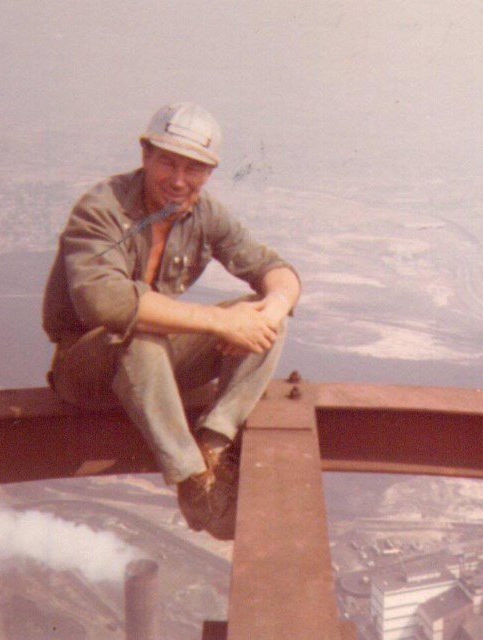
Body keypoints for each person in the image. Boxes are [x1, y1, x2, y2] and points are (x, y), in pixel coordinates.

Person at [42, 102, 301, 540]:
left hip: (150, 371)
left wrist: (272, 308)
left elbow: (277, 271)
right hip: (87, 370)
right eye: (168, 162)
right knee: (139, 337)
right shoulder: (101, 208)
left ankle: (215, 444)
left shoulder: (205, 214)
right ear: (145, 154)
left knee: (261, 317)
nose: (179, 180)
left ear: (210, 173)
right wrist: (219, 324)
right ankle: (191, 479)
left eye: (194, 169)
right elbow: (105, 304)